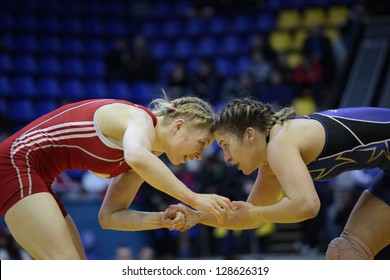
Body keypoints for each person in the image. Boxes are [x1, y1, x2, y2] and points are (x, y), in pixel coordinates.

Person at [0, 96, 233, 260]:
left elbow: (110, 217)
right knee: (66, 266)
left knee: (75, 268)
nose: (200, 154)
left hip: (35, 174)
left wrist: (163, 219)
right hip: (14, 163)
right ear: (179, 126)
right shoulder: (139, 120)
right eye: (201, 143)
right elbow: (136, 156)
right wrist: (194, 198)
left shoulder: (146, 154)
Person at [167, 98, 390, 260]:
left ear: (250, 135)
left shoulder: (281, 141)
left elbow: (306, 205)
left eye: (226, 145)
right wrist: (197, 216)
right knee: (346, 254)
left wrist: (255, 212)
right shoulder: (271, 161)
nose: (226, 158)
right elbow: (248, 217)